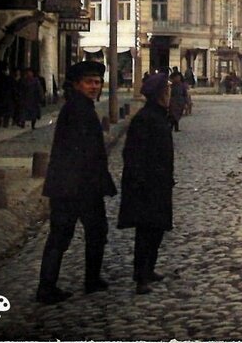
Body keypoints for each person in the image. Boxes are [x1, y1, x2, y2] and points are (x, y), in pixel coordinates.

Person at [37, 60, 117, 304]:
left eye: (97, 82)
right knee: (65, 236)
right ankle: (50, 287)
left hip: (76, 186)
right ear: (76, 84)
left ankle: (88, 280)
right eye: (89, 82)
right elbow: (81, 153)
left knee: (91, 232)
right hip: (75, 188)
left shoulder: (81, 107)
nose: (94, 86)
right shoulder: (77, 110)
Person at [118, 71, 175, 295]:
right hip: (147, 185)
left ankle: (149, 269)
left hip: (160, 183)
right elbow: (132, 155)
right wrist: (141, 181)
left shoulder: (160, 115)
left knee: (158, 228)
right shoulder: (145, 119)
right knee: (146, 231)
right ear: (160, 95)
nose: (169, 94)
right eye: (167, 91)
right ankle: (141, 276)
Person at [0, 62, 15, 128]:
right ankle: (4, 123)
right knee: (6, 111)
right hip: (6, 97)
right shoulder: (9, 78)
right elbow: (13, 88)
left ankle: (0, 120)